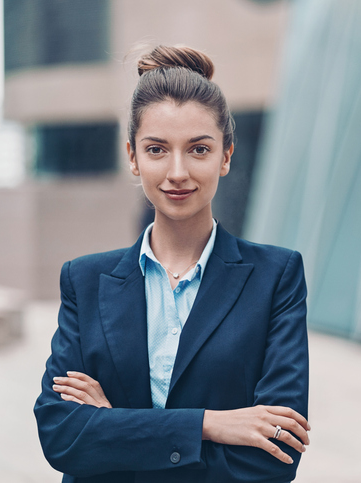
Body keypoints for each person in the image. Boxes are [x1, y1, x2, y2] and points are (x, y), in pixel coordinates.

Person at [34, 45, 310, 483]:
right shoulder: (84, 281)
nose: (177, 171)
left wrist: (117, 428)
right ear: (132, 156)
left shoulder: (276, 278)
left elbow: (275, 451)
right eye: (157, 149)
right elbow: (62, 436)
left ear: (226, 156)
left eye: (198, 150)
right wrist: (210, 424)